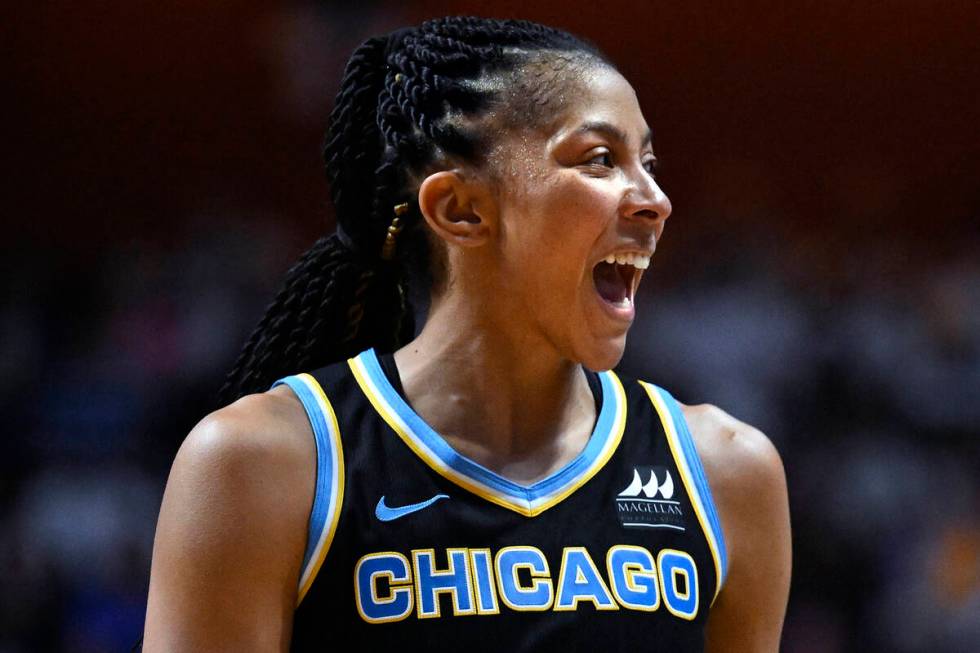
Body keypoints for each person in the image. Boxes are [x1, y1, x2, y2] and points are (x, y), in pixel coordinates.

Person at [142, 16, 790, 652]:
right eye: (600, 159)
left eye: (647, 161)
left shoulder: (726, 471)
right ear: (460, 208)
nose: (655, 198)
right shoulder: (264, 465)